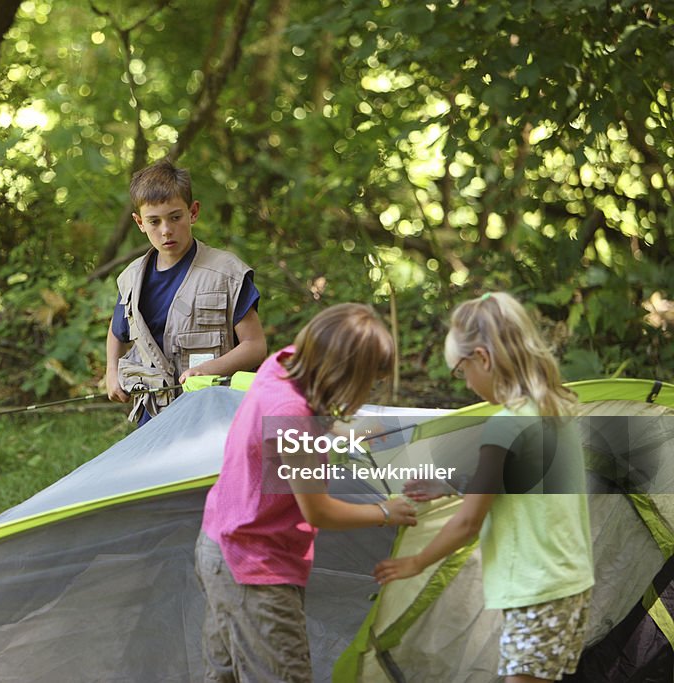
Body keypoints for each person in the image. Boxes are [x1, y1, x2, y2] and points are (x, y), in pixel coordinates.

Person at [374, 292, 594, 683]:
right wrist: (455, 484)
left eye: (461, 371)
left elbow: (467, 525)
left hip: (536, 592)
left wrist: (416, 563)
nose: (466, 384)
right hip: (571, 584)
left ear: (483, 358)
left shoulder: (504, 425)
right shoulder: (556, 408)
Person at [196, 303, 417, 682]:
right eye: (370, 382)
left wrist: (346, 433)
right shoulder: (293, 416)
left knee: (226, 673)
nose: (369, 391)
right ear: (344, 373)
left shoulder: (282, 365)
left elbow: (296, 419)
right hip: (254, 567)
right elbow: (318, 511)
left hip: (219, 545)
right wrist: (385, 512)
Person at [105, 159, 267, 425]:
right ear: (139, 222)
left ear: (193, 212)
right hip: (155, 416)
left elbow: (255, 346)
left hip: (216, 411)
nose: (166, 230)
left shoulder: (226, 273)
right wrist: (112, 371)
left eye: (175, 217)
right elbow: (117, 330)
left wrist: (207, 370)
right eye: (154, 221)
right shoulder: (132, 279)